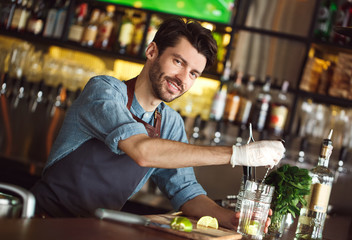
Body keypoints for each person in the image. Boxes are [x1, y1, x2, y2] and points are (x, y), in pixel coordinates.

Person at [31, 18, 285, 231]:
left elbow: (185, 191)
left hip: (93, 231)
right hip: (43, 223)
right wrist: (237, 154)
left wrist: (231, 218)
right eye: (178, 62)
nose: (183, 78)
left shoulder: (170, 122)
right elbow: (142, 151)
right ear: (152, 52)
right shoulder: (105, 92)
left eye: (194, 73)